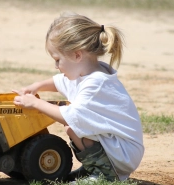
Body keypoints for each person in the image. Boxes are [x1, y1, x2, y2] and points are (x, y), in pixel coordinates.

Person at [13, 12, 144, 182]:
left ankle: (104, 174)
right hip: (119, 148)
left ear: (77, 55)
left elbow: (70, 115)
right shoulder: (89, 73)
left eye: (57, 59)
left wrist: (36, 103)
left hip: (124, 153)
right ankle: (93, 168)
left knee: (73, 125)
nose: (56, 66)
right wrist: (36, 86)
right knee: (73, 128)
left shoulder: (95, 84)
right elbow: (60, 82)